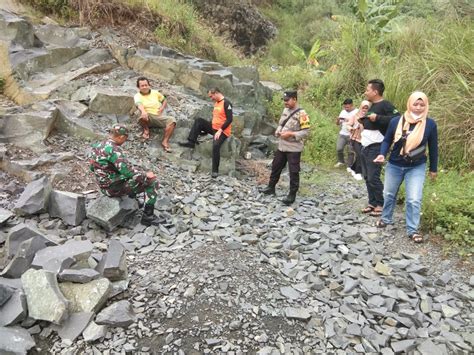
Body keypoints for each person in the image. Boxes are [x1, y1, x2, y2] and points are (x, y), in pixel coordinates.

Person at [373, 92, 438, 243]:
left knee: (414, 199)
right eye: (416, 104)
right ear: (409, 104)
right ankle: (386, 218)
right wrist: (382, 154)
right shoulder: (396, 121)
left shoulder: (430, 124)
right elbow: (387, 140)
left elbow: (433, 148)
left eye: (422, 105)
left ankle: (412, 230)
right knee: (389, 194)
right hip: (395, 164)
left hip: (416, 166)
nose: (418, 107)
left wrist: (433, 169)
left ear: (426, 106)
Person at [88, 124, 164, 226]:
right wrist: (146, 176)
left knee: (136, 173)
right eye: (125, 139)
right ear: (121, 137)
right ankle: (148, 216)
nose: (124, 141)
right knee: (152, 182)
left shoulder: (98, 146)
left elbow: (92, 167)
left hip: (103, 186)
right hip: (113, 189)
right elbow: (127, 171)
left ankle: (132, 199)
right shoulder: (114, 150)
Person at [260, 90, 311, 205]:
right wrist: (278, 131)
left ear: (295, 99)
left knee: (293, 171)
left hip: (294, 147)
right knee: (276, 166)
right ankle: (270, 188)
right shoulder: (285, 110)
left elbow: (306, 132)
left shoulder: (302, 114)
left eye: (287, 100)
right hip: (282, 146)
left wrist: (291, 134)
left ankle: (292, 194)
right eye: (284, 100)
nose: (285, 102)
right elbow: (281, 124)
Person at [359, 79, 399, 217]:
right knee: (366, 176)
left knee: (373, 176)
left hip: (377, 146)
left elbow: (397, 118)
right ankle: (372, 202)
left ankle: (381, 205)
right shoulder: (371, 105)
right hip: (365, 145)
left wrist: (379, 118)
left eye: (368, 90)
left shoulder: (385, 104)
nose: (366, 92)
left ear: (375, 92)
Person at [178, 88, 233, 178]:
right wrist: (205, 130)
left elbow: (230, 119)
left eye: (211, 96)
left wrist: (220, 130)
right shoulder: (217, 103)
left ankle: (215, 171)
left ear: (216, 93)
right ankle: (191, 142)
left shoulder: (226, 103)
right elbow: (217, 118)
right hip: (214, 128)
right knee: (199, 121)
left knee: (215, 145)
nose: (211, 98)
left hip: (222, 131)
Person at [133, 77, 176, 152]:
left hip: (157, 116)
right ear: (138, 87)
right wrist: (143, 111)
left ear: (149, 85)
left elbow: (164, 100)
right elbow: (138, 104)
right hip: (146, 116)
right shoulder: (137, 96)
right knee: (142, 115)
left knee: (172, 120)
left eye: (146, 85)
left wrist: (162, 108)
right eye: (142, 86)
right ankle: (146, 129)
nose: (144, 87)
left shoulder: (155, 93)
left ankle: (165, 141)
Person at [346, 100, 372, 181]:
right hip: (355, 139)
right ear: (361, 107)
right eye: (363, 108)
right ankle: (358, 172)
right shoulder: (355, 116)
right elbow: (348, 124)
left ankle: (353, 168)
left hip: (365, 140)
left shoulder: (370, 117)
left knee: (362, 155)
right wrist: (351, 128)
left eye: (367, 108)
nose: (364, 110)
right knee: (360, 155)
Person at [335, 98, 358, 170]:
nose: (346, 109)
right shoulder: (343, 112)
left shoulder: (356, 112)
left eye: (347, 107)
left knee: (351, 151)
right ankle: (341, 161)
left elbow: (359, 123)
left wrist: (350, 121)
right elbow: (338, 124)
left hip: (352, 134)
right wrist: (338, 120)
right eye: (345, 107)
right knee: (339, 148)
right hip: (342, 133)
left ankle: (349, 165)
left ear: (352, 105)